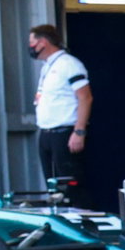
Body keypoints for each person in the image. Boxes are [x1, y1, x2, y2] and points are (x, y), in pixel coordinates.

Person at [29, 23, 92, 202]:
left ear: (42, 43)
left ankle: (83, 222)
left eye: (32, 43)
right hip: (46, 133)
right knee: (53, 186)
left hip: (65, 132)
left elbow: (85, 98)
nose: (31, 48)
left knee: (71, 184)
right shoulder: (47, 67)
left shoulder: (69, 64)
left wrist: (79, 131)